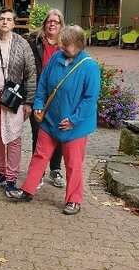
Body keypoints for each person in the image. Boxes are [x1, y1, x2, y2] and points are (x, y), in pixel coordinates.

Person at [7, 25, 100, 215]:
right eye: (62, 44)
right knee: (40, 155)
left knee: (73, 163)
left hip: (75, 126)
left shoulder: (89, 66)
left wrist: (74, 120)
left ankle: (74, 200)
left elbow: (90, 99)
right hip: (50, 121)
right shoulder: (57, 58)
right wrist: (39, 104)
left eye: (67, 45)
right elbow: (43, 84)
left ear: (79, 45)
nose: (63, 48)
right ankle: (27, 190)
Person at [0, 8, 36, 194]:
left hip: (14, 97)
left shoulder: (22, 44)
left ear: (14, 23)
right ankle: (1, 172)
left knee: (13, 137)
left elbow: (30, 74)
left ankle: (12, 177)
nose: (5, 22)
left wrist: (29, 101)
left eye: (9, 19)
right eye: (1, 19)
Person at [26, 9, 66, 188]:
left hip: (59, 97)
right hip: (38, 94)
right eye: (50, 21)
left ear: (61, 25)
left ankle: (55, 168)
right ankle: (38, 171)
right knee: (39, 133)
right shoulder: (34, 42)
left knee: (58, 133)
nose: (52, 24)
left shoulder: (66, 44)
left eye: (56, 22)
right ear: (45, 23)